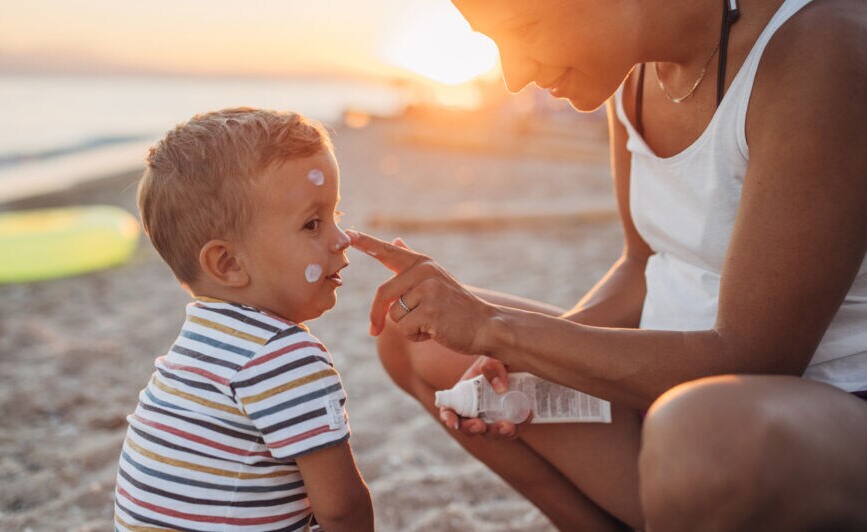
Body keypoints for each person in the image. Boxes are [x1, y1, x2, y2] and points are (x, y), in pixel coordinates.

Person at [347, 0, 867, 530]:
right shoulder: (635, 73)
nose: (513, 76)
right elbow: (641, 264)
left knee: (694, 433)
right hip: (661, 399)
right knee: (420, 340)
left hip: (798, 427)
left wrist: (501, 332)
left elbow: (750, 358)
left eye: (524, 29)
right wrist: (532, 349)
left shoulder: (818, 47)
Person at [114, 107, 372, 531]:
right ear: (229, 263)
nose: (340, 239)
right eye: (312, 224)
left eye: (334, 217)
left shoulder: (198, 345)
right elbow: (342, 508)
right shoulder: (285, 355)